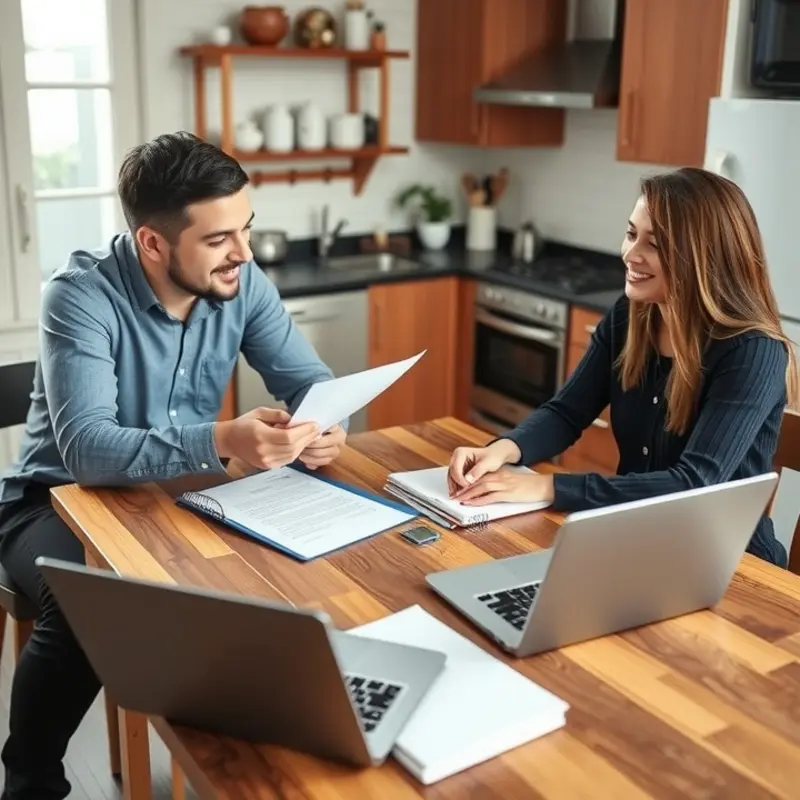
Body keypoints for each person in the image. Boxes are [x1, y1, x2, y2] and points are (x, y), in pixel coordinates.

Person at [0, 131, 347, 798]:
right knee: (92, 598)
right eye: (219, 238)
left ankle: (256, 767)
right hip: (52, 502)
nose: (244, 253)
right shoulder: (78, 298)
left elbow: (309, 382)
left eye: (246, 228)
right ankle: (30, 779)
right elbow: (89, 450)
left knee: (280, 571)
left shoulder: (241, 282)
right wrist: (223, 439)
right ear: (152, 243)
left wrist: (323, 423)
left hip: (181, 498)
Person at [448, 166, 798, 567]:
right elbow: (566, 412)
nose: (629, 255)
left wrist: (548, 487)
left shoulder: (753, 353)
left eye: (654, 244)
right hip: (633, 542)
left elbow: (693, 484)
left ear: (702, 258)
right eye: (632, 234)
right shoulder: (632, 316)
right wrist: (504, 451)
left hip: (731, 567)